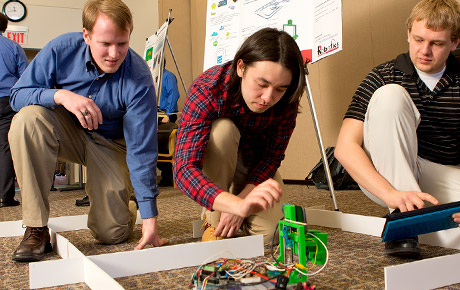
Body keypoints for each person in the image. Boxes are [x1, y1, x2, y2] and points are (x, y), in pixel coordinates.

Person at [335, 0, 460, 259]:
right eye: (418, 39)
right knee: (389, 96)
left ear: (455, 42)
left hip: (440, 173)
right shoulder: (382, 75)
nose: (424, 51)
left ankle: (420, 225)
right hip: (386, 176)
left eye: (436, 43)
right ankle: (404, 221)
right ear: (408, 33)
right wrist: (392, 195)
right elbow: (345, 147)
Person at [9, 0, 167, 262]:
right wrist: (60, 95)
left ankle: (121, 202)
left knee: (112, 233)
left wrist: (149, 219)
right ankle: (36, 228)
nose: (114, 54)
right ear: (86, 35)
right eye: (105, 44)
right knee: (27, 120)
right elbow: (17, 96)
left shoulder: (138, 77)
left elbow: (142, 150)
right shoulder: (60, 49)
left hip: (110, 143)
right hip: (67, 129)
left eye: (122, 44)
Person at [174, 28, 306, 243]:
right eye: (261, 84)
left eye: (280, 89)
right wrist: (233, 205)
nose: (268, 97)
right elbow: (183, 169)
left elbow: (271, 158)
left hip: (252, 166)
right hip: (218, 159)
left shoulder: (287, 102)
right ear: (241, 67)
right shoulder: (207, 89)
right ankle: (214, 216)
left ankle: (233, 205)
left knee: (269, 236)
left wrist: (242, 201)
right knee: (223, 131)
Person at [0, 13, 27, 208]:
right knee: (5, 148)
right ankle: (5, 196)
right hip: (7, 101)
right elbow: (25, 78)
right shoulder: (13, 47)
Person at [157, 60, 180, 186]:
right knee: (156, 146)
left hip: (166, 115)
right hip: (156, 114)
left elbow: (174, 94)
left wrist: (168, 114)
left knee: (165, 146)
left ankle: (169, 175)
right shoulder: (153, 78)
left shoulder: (168, 76)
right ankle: (166, 175)